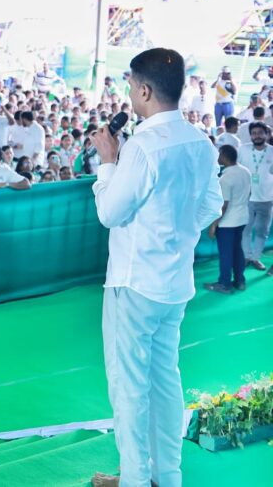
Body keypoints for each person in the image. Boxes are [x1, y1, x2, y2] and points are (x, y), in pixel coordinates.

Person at [90, 48, 223, 487]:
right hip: (174, 282)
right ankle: (167, 477)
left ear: (145, 90)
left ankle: (134, 479)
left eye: (130, 86)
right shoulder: (199, 141)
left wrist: (107, 163)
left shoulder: (142, 147)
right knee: (165, 381)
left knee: (129, 387)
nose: (129, 94)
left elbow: (110, 213)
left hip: (134, 284)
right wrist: (174, 236)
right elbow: (211, 206)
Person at [204, 145, 251, 294]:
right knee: (237, 250)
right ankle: (240, 281)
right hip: (242, 218)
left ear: (224, 156)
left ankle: (224, 284)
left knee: (226, 254)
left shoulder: (225, 178)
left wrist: (213, 225)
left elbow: (223, 206)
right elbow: (249, 193)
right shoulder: (245, 171)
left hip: (227, 222)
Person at [240, 122, 273, 272]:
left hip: (267, 199)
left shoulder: (272, 151)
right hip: (246, 198)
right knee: (245, 230)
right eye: (254, 133)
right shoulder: (243, 149)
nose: (257, 136)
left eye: (260, 133)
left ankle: (256, 258)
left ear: (267, 134)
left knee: (262, 231)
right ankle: (246, 256)